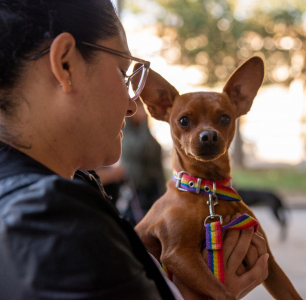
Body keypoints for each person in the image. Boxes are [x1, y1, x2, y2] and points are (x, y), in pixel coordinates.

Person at [0, 1, 269, 299]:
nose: (132, 105)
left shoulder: (63, 192)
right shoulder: (50, 221)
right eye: (122, 72)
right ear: (66, 64)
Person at [121, 98, 166, 219]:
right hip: (136, 189)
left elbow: (155, 155)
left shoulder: (146, 132)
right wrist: (144, 125)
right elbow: (140, 149)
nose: (142, 112)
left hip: (154, 187)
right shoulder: (124, 133)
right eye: (139, 108)